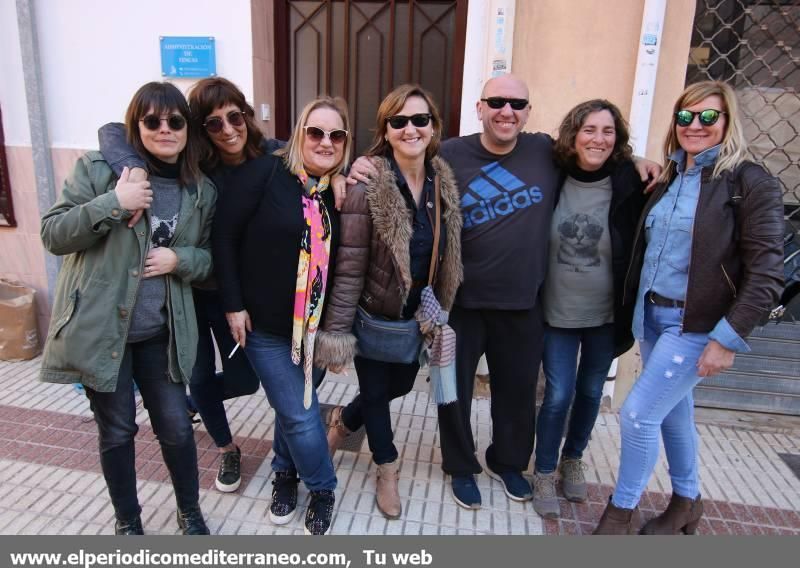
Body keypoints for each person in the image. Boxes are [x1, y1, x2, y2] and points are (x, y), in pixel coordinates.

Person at [348, 73, 660, 510]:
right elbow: (402, 149)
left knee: (516, 395)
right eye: (496, 102)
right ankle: (460, 467)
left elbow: (596, 152)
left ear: (528, 113)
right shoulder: (450, 152)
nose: (506, 111)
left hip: (523, 304)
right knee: (451, 391)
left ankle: (508, 462)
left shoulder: (543, 151)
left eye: (517, 104)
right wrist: (359, 165)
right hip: (460, 304)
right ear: (480, 108)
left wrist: (639, 159)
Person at [593, 81, 784, 535]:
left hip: (696, 324)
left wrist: (727, 338)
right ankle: (686, 503)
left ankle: (619, 514)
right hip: (654, 318)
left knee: (638, 414)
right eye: (685, 116)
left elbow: (768, 272)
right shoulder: (671, 177)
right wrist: (637, 159)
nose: (694, 126)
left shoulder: (749, 182)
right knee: (674, 412)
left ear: (727, 122)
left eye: (707, 117)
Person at [40, 82, 216, 535]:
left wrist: (182, 260)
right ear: (136, 124)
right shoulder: (101, 170)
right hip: (105, 334)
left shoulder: (200, 189)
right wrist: (113, 204)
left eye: (175, 121)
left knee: (177, 428)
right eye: (152, 121)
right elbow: (54, 234)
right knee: (117, 432)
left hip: (163, 334)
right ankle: (128, 521)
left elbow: (210, 258)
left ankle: (189, 511)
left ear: (187, 127)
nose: (164, 130)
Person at [98, 77, 282, 494]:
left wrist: (347, 173)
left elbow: (323, 154)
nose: (228, 129)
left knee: (244, 380)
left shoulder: (273, 156)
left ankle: (185, 404)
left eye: (235, 117)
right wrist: (135, 165)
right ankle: (225, 446)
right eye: (213, 123)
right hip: (189, 295)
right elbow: (112, 131)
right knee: (198, 374)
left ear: (247, 116)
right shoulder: (197, 168)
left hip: (239, 295)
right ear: (200, 129)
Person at [313, 84, 463, 519]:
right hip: (373, 312)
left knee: (398, 385)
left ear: (433, 127)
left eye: (420, 120)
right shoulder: (368, 182)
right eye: (399, 121)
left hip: (417, 314)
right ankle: (386, 465)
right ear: (386, 129)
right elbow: (351, 263)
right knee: (377, 392)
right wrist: (337, 333)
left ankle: (342, 422)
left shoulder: (441, 180)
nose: (410, 129)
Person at [213, 97, 352, 535]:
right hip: (264, 327)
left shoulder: (340, 189)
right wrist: (233, 303)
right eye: (315, 132)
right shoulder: (264, 173)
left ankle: (284, 475)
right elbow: (224, 237)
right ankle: (323, 486)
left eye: (336, 135)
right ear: (298, 135)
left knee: (287, 408)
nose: (325, 142)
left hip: (315, 330)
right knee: (299, 411)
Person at [531, 100, 647, 518]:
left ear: (618, 140)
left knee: (591, 391)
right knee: (558, 393)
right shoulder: (551, 172)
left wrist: (642, 161)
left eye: (608, 131)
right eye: (589, 129)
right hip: (557, 312)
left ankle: (573, 457)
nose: (598, 139)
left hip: (606, 314)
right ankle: (544, 469)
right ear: (573, 134)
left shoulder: (630, 180)